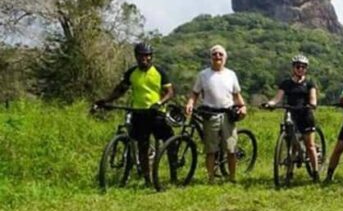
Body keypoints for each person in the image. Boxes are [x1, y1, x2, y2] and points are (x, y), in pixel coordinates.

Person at [94, 42, 174, 186]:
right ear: (136, 56)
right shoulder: (132, 73)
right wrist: (106, 100)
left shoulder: (159, 72)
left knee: (169, 141)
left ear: (151, 57)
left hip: (156, 113)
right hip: (139, 113)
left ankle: (173, 173)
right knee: (142, 146)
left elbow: (169, 92)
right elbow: (120, 89)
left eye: (147, 56)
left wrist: (160, 102)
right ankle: (147, 178)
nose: (144, 58)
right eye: (141, 55)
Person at [185, 44, 247, 183]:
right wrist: (190, 104)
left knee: (231, 149)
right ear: (211, 57)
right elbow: (194, 94)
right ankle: (211, 178)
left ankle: (232, 178)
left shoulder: (231, 74)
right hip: (210, 114)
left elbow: (237, 95)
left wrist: (243, 107)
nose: (217, 56)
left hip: (227, 115)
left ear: (225, 58)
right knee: (210, 150)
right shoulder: (203, 75)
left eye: (220, 54)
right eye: (214, 54)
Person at [265, 54, 320, 181]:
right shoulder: (286, 83)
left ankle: (315, 173)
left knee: (310, 145)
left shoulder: (309, 83)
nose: (300, 69)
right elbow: (277, 98)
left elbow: (313, 99)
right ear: (293, 68)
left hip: (305, 115)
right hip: (291, 114)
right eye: (298, 66)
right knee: (292, 145)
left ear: (306, 69)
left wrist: (312, 104)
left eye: (303, 67)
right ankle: (289, 173)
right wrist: (270, 104)